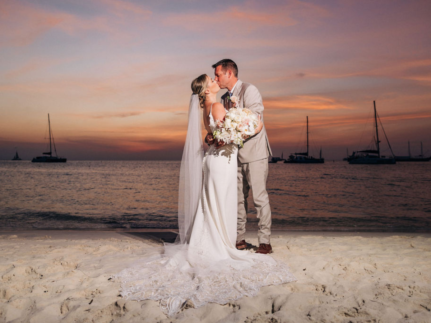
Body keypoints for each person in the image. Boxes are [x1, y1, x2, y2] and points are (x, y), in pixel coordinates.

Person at [114, 74, 295, 317]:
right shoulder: (218, 105)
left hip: (215, 160)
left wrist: (216, 135)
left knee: (211, 205)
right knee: (220, 204)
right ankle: (220, 245)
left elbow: (212, 135)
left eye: (215, 76)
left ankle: (214, 240)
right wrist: (245, 129)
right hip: (223, 162)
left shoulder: (207, 107)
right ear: (207, 88)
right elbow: (224, 135)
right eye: (212, 79)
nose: (215, 80)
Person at [206, 59, 273, 254]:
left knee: (259, 198)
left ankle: (264, 241)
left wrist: (228, 138)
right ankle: (239, 238)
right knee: (238, 199)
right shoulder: (226, 98)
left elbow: (254, 121)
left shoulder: (249, 90)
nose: (216, 78)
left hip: (255, 153)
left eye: (218, 74)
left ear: (229, 73)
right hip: (233, 155)